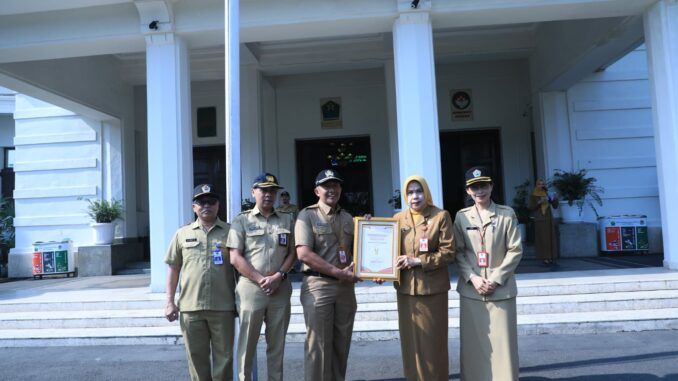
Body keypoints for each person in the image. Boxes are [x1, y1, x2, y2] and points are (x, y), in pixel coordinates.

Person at [453, 166, 522, 381]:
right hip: (471, 291)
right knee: (474, 346)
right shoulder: (461, 217)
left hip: (500, 291)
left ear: (491, 186)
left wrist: (494, 279)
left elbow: (515, 250)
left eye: (483, 185)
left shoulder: (506, 214)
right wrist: (473, 277)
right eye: (474, 187)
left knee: (503, 346)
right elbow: (458, 252)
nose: (479, 191)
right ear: (467, 191)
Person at [227, 173, 297, 381]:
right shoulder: (242, 220)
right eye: (263, 190)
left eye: (272, 190)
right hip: (251, 288)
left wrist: (279, 276)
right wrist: (260, 279)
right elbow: (235, 257)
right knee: (247, 344)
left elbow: (293, 253)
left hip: (280, 287)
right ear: (253, 192)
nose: (268, 194)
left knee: (277, 345)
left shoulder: (287, 219)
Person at [164, 184, 236, 381]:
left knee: (225, 359)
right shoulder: (182, 234)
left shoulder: (231, 232)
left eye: (211, 201)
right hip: (190, 308)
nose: (207, 206)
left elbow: (240, 268)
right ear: (194, 206)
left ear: (218, 205)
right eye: (201, 202)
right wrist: (170, 301)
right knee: (196, 359)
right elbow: (173, 269)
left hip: (223, 307)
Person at [294, 169, 360, 381]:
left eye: (335, 185)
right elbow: (304, 253)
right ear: (316, 191)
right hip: (318, 286)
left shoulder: (349, 218)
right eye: (326, 186)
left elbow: (359, 252)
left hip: (345, 289)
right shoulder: (307, 215)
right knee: (319, 346)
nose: (331, 190)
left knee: (342, 345)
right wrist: (337, 272)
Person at [393, 175, 455, 380]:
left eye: (419, 191)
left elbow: (449, 252)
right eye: (410, 192)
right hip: (405, 290)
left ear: (426, 192)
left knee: (432, 343)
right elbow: (389, 253)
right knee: (411, 343)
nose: (415, 197)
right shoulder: (398, 219)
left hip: (432, 290)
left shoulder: (440, 216)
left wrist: (418, 261)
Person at [529, 178, 559, 265]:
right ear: (536, 185)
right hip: (540, 219)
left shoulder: (547, 193)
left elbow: (555, 206)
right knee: (543, 238)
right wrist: (539, 202)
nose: (541, 186)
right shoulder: (534, 195)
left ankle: (551, 257)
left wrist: (555, 199)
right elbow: (531, 207)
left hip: (548, 218)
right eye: (539, 184)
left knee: (550, 238)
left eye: (542, 184)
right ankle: (545, 257)